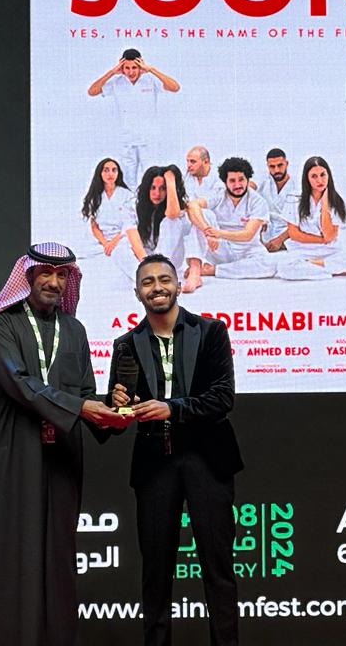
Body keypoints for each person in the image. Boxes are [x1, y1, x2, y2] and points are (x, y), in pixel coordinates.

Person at [0, 243, 132, 646]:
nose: (54, 282)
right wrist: (83, 407)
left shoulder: (74, 330)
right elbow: (20, 384)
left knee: (57, 560)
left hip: (60, 460)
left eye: (62, 275)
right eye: (46, 274)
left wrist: (111, 410)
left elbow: (84, 392)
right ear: (28, 276)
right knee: (5, 557)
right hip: (11, 454)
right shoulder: (2, 323)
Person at [113, 254, 243, 646]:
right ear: (137, 292)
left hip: (208, 459)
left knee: (218, 568)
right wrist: (118, 403)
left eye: (164, 279)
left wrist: (173, 408)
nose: (157, 287)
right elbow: (121, 408)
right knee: (155, 572)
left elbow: (223, 398)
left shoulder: (211, 331)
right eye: (148, 282)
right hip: (154, 464)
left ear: (179, 284)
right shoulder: (126, 345)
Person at [87, 48, 181, 189]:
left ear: (140, 66)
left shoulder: (150, 80)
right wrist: (112, 72)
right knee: (127, 181)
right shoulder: (116, 82)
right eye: (127, 68)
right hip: (126, 140)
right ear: (121, 67)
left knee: (151, 180)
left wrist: (151, 69)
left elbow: (175, 87)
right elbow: (91, 91)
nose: (131, 72)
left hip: (148, 140)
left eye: (134, 68)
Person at [279, 156, 346, 279]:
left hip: (331, 252)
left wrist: (325, 206)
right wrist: (322, 240)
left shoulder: (336, 201)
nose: (320, 180)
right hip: (302, 252)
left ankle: (315, 266)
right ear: (307, 179)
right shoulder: (294, 198)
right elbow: (294, 234)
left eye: (323, 175)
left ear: (328, 175)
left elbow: (329, 236)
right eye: (314, 176)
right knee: (284, 267)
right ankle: (329, 269)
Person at [186, 156, 277, 283]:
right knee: (203, 213)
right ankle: (195, 270)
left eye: (241, 179)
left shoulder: (258, 201)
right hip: (219, 247)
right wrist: (208, 232)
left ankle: (212, 270)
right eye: (232, 181)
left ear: (248, 179)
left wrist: (218, 233)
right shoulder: (218, 194)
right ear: (225, 182)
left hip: (248, 250)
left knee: (269, 266)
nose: (237, 185)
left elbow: (248, 235)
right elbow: (192, 205)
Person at [116, 164, 204, 292]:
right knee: (119, 246)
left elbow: (173, 215)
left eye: (163, 188)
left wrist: (171, 181)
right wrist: (147, 264)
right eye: (153, 188)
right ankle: (144, 278)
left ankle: (157, 275)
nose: (157, 193)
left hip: (168, 260)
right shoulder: (132, 205)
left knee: (172, 221)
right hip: (144, 259)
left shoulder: (176, 206)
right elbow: (133, 237)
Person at [80, 157, 134, 258]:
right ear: (100, 173)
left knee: (123, 252)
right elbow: (94, 226)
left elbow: (131, 224)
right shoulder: (94, 197)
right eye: (106, 170)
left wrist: (114, 242)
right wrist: (105, 243)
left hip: (122, 238)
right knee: (81, 253)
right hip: (101, 240)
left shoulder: (127, 195)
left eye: (114, 170)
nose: (110, 174)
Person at [253, 148, 299, 252]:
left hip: (288, 233)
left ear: (286, 164)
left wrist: (280, 240)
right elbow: (250, 186)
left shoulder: (297, 185)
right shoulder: (264, 180)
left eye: (280, 165)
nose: (276, 170)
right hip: (265, 230)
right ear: (267, 166)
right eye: (272, 167)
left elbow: (302, 220)